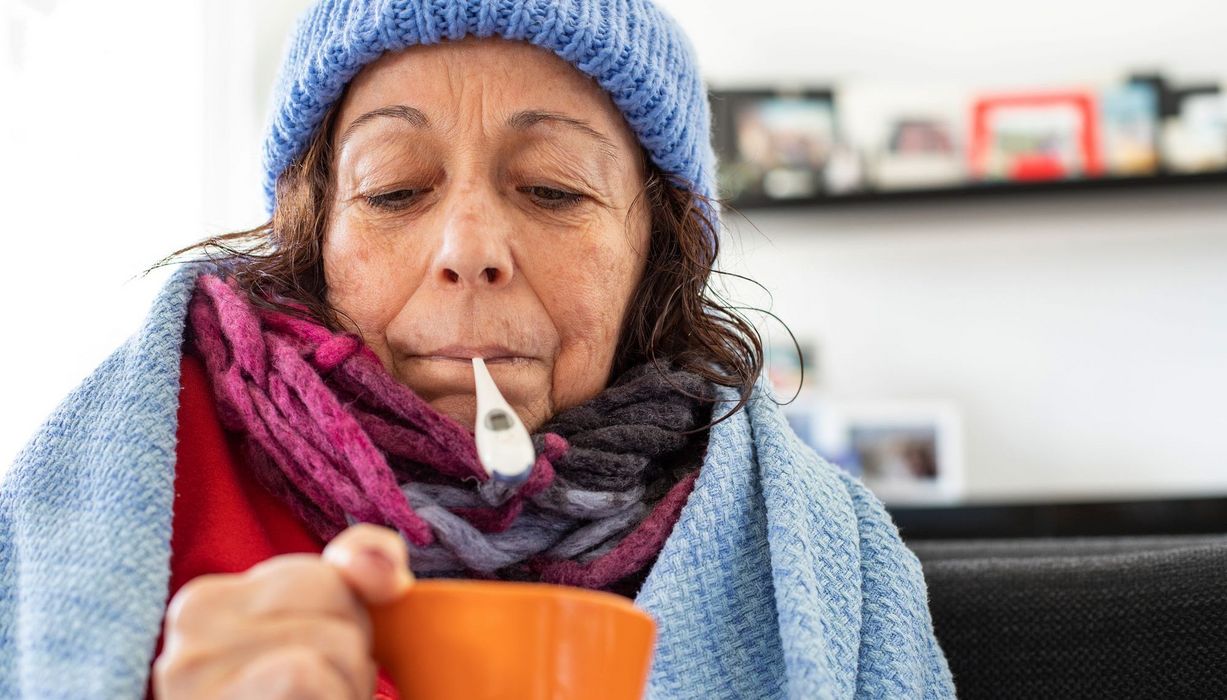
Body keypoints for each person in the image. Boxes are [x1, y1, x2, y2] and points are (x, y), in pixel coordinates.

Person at [0, 1, 954, 698]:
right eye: (395, 189)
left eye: (550, 189)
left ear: (654, 253)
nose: (467, 252)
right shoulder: (128, 485)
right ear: (315, 236)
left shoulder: (820, 550)